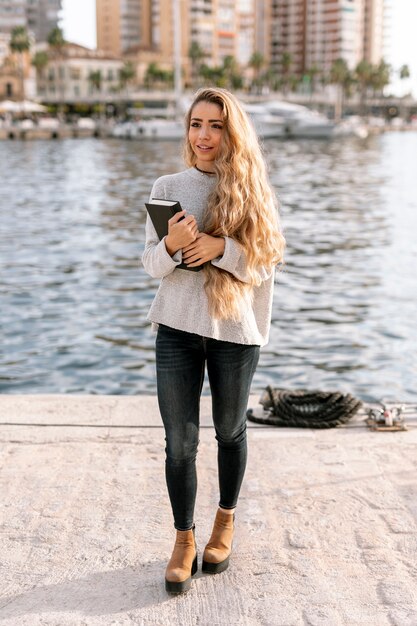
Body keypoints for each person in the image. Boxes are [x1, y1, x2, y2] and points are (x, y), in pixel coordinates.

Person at [142, 87, 285, 594]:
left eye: (216, 125)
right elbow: (151, 266)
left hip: (233, 332)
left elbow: (264, 265)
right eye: (196, 123)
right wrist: (172, 244)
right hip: (177, 329)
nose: (204, 135)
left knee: (229, 429)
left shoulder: (252, 189)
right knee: (179, 442)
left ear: (232, 132)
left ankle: (224, 522)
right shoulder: (168, 185)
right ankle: (183, 538)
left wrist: (221, 247)